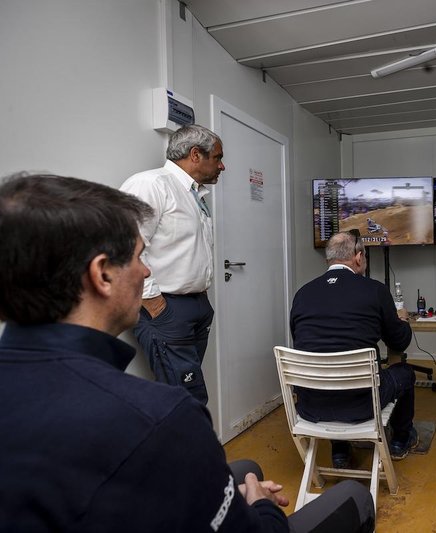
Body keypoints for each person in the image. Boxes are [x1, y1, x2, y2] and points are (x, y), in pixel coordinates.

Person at [0, 174, 375, 533]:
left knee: (245, 466)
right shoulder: (163, 414)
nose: (146, 270)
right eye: (139, 257)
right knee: (355, 498)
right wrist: (258, 504)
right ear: (102, 275)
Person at [290, 231, 417, 467]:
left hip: (311, 406)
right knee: (405, 373)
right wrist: (403, 321)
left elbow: (302, 341)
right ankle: (401, 440)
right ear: (358, 257)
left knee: (330, 370)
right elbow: (399, 343)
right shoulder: (375, 291)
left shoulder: (302, 294)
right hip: (363, 405)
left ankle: (340, 452)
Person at [120, 124, 223, 404]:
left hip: (197, 306)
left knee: (181, 390)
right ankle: (192, 448)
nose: (222, 166)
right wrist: (155, 304)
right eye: (217, 157)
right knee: (187, 396)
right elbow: (123, 247)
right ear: (195, 155)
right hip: (165, 307)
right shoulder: (151, 184)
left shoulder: (192, 193)